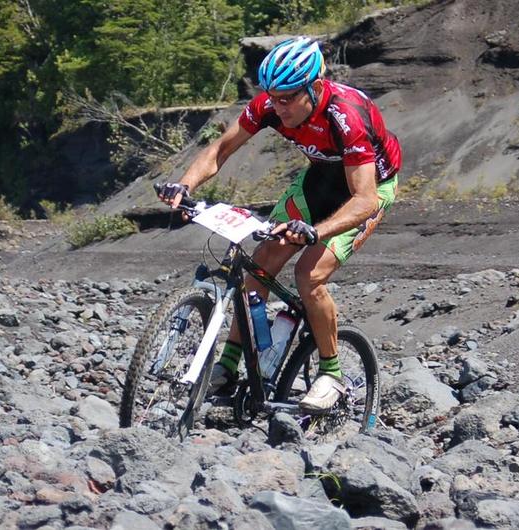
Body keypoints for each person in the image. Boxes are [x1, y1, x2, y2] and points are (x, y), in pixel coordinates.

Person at [158, 37, 402, 412]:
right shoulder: (271, 104)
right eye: (272, 97)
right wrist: (184, 185)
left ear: (315, 87)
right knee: (261, 261)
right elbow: (221, 149)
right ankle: (227, 366)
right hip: (320, 180)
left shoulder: (346, 116)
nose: (277, 107)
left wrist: (315, 232)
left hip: (368, 188)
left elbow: (365, 199)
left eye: (287, 98)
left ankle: (332, 375)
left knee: (309, 274)